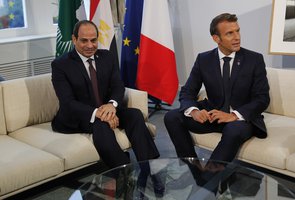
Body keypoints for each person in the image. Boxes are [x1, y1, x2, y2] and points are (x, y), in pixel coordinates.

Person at [51, 20, 159, 169]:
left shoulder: (107, 57)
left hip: (107, 109)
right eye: (84, 40)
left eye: (94, 40)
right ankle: (124, 172)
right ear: (74, 39)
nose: (90, 45)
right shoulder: (60, 65)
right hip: (78, 117)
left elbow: (117, 85)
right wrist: (99, 113)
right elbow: (67, 102)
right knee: (101, 125)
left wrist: (112, 105)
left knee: (134, 115)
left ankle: (151, 168)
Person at [164, 13, 270, 163]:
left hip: (239, 119)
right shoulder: (204, 59)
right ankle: (193, 168)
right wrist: (193, 111)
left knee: (233, 130)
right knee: (172, 117)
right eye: (230, 33)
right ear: (216, 38)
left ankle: (208, 179)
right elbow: (188, 91)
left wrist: (233, 115)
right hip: (212, 115)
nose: (237, 37)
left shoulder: (254, 59)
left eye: (238, 31)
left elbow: (262, 99)